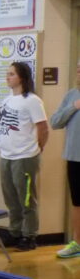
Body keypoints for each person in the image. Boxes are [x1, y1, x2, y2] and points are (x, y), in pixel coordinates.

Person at [0, 61, 48, 252]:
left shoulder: (32, 101)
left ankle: (29, 235)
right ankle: (15, 232)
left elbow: (43, 128)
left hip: (25, 156)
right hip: (6, 155)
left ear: (22, 78)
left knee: (26, 199)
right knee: (10, 197)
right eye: (7, 73)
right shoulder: (7, 100)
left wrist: (38, 148)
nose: (7, 77)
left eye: (11, 74)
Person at [50, 60, 80, 258]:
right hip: (74, 158)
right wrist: (73, 107)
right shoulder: (71, 95)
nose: (79, 72)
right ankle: (77, 243)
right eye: (78, 68)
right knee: (77, 202)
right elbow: (55, 122)